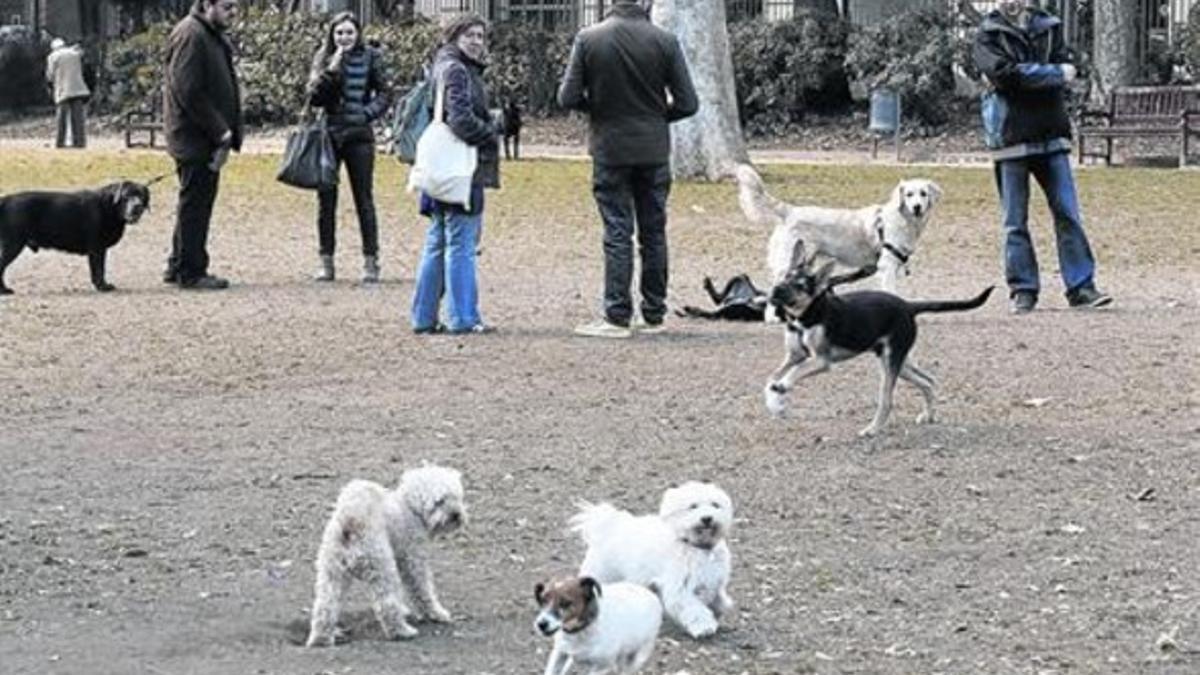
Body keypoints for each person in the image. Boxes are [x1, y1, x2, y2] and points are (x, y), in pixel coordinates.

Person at [558, 0, 698, 339]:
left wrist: (599, 109)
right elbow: (688, 103)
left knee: (617, 231)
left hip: (610, 146)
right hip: (653, 148)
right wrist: (655, 115)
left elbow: (567, 97)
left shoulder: (589, 38)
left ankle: (617, 314)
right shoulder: (665, 41)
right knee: (654, 231)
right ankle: (653, 312)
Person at [973, 0, 1112, 314]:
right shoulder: (986, 35)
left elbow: (1071, 69)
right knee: (1014, 221)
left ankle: (1082, 287)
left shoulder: (1050, 26)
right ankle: (1023, 290)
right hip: (1009, 136)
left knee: (1068, 214)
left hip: (1052, 132)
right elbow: (1002, 75)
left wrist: (1029, 76)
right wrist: (1053, 74)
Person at [409, 14, 500, 335]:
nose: (477, 41)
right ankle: (463, 316)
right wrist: (490, 132)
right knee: (461, 242)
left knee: (437, 241)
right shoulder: (458, 70)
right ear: (454, 37)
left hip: (440, 168)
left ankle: (423, 316)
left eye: (480, 36)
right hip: (461, 169)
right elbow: (459, 119)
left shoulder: (443, 66)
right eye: (470, 35)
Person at [162, 0, 243, 290]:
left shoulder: (207, 33)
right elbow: (188, 90)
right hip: (195, 137)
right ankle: (191, 271)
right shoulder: (192, 34)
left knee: (193, 200)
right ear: (207, 4)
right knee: (196, 204)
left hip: (200, 136)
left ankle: (178, 263)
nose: (233, 13)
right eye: (228, 7)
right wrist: (220, 129)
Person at [306, 12, 391, 284]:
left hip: (359, 137)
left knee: (363, 200)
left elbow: (386, 93)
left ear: (358, 34)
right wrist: (332, 69)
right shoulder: (324, 58)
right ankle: (326, 262)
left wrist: (367, 113)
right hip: (329, 135)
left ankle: (370, 261)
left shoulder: (371, 57)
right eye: (339, 33)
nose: (344, 38)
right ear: (332, 35)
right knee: (325, 201)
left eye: (349, 33)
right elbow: (314, 97)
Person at [45, 38, 90, 148]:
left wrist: (50, 85)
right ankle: (79, 142)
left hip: (63, 90)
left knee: (62, 118)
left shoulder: (53, 56)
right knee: (78, 119)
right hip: (78, 88)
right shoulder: (75, 53)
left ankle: (60, 142)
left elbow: (50, 75)